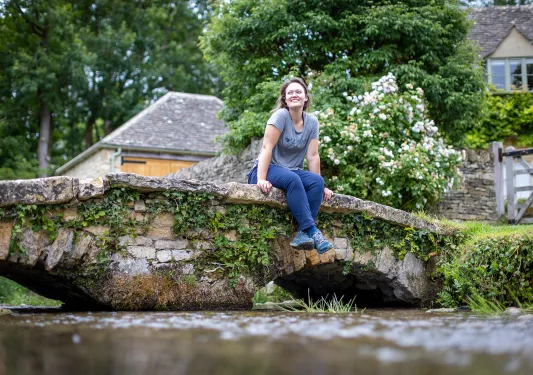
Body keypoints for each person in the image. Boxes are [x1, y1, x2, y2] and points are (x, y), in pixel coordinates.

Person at [247, 77, 334, 254]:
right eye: (290, 93)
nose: (294, 95)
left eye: (298, 92)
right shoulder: (280, 116)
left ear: (305, 98)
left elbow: (313, 156)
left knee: (317, 182)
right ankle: (313, 232)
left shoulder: (312, 122)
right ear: (285, 99)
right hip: (268, 168)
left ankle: (303, 234)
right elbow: (266, 147)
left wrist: (321, 184)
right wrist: (261, 178)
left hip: (292, 171)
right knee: (293, 179)